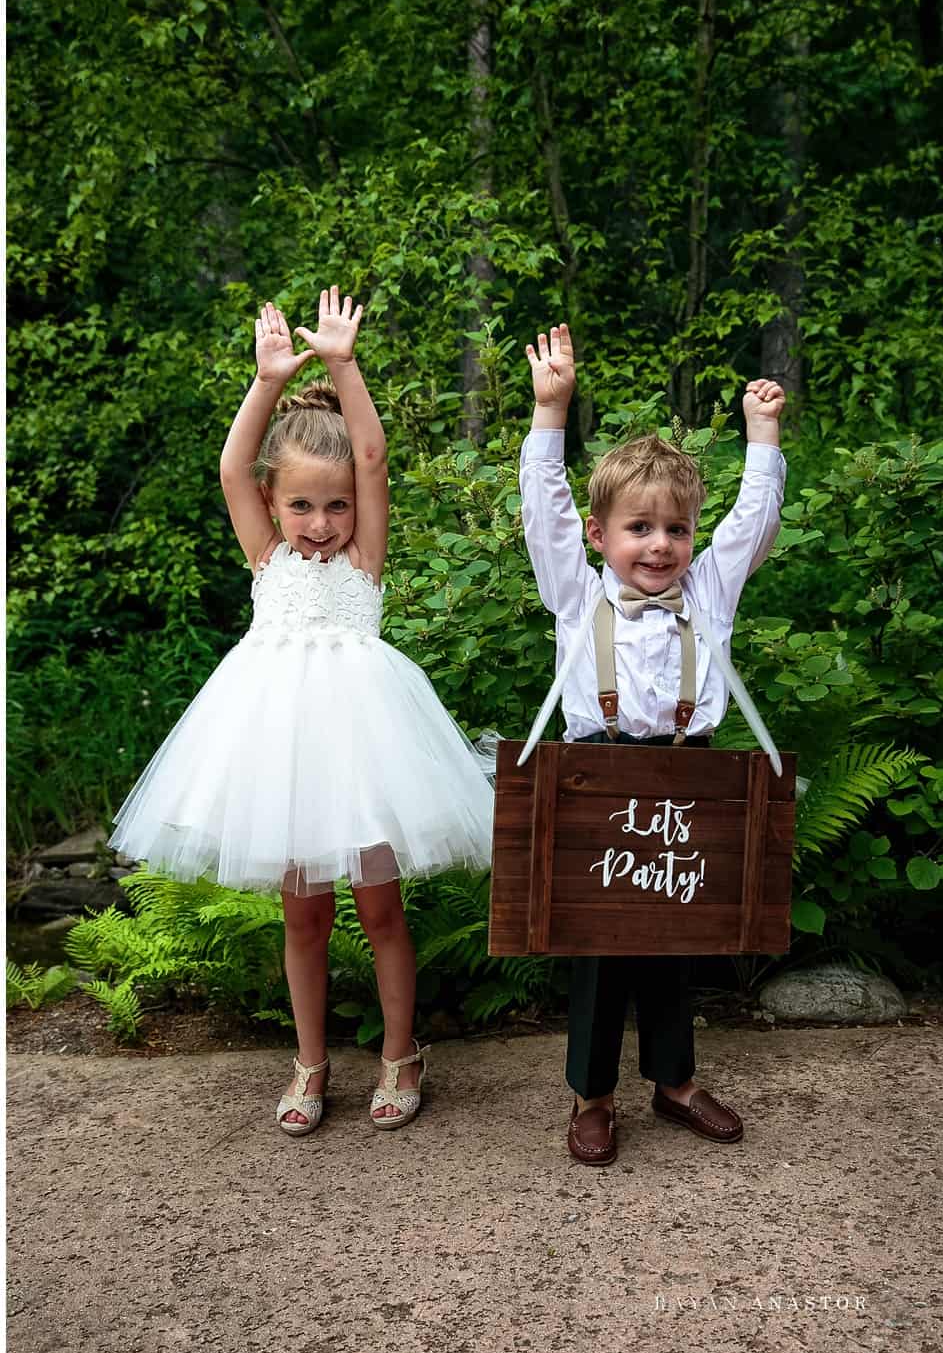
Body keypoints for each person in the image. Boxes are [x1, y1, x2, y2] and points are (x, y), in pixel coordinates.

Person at [110, 288, 494, 1136]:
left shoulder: (363, 561)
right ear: (275, 505)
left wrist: (343, 364)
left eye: (335, 505)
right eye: (301, 506)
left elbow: (371, 453)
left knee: (383, 910)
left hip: (369, 752)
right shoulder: (266, 556)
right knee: (304, 915)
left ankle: (401, 1054)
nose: (320, 524)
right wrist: (267, 380)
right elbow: (229, 467)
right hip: (281, 757)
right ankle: (310, 1063)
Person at [519, 322, 786, 1165]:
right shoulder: (575, 593)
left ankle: (674, 1083)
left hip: (688, 774)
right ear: (601, 537)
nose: (658, 545)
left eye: (674, 529)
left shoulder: (707, 592)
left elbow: (751, 523)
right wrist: (550, 410)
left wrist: (764, 438)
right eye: (638, 528)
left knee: (679, 935)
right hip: (595, 777)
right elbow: (545, 508)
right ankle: (591, 1096)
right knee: (599, 949)